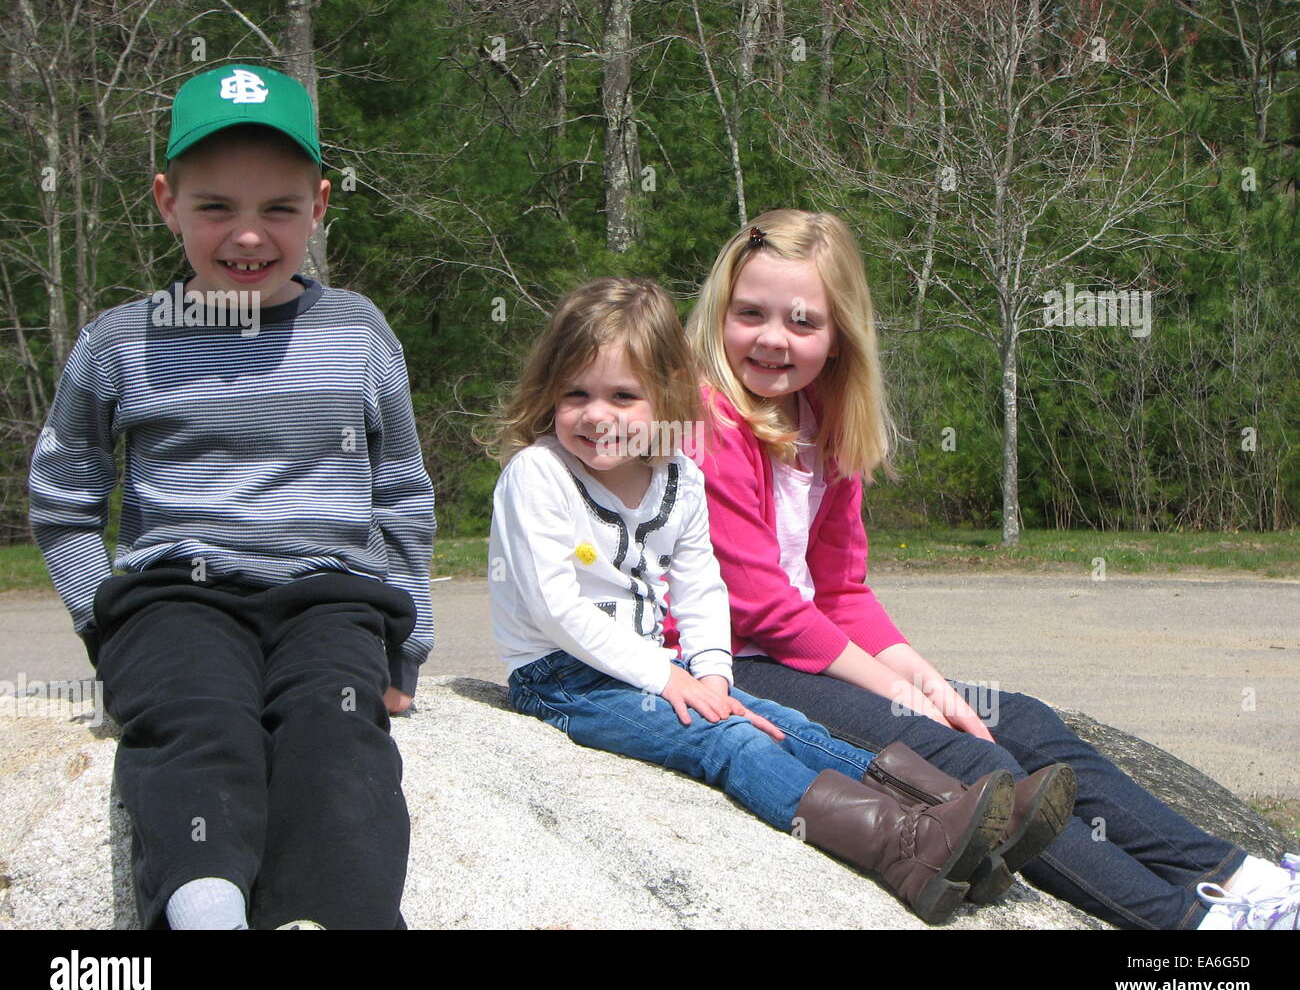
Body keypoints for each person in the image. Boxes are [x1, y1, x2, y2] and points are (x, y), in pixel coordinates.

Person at [681, 207, 1300, 931]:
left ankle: (1237, 871)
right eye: (749, 313)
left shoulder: (823, 420)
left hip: (802, 651)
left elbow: (842, 591)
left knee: (1020, 718)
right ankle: (1187, 921)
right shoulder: (709, 419)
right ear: (720, 311)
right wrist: (903, 697)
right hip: (725, 661)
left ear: (841, 334)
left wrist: (930, 681)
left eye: (802, 321)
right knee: (969, 761)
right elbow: (759, 608)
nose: (772, 339)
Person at [484, 276, 1070, 925]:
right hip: (564, 680)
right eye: (576, 394)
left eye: (624, 395)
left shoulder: (674, 473)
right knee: (730, 740)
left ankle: (959, 816)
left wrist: (710, 671)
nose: (598, 415)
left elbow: (702, 585)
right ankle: (901, 846)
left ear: (666, 397)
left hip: (659, 666)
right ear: (549, 392)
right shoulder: (537, 475)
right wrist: (669, 676)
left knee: (792, 725)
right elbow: (554, 609)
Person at [28, 64, 434, 930]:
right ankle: (201, 905)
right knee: (198, 717)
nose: (248, 235)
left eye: (279, 209)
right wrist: (103, 624)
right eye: (216, 207)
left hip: (329, 597)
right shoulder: (121, 342)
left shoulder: (357, 332)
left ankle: (332, 915)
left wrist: (408, 644)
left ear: (319, 205)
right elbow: (64, 497)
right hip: (177, 593)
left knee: (340, 740)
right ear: (167, 199)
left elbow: (400, 489)